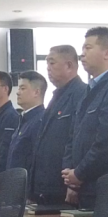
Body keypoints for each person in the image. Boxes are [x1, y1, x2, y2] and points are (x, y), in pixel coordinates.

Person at [62, 27, 108, 209]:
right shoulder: (89, 90)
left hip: (102, 186)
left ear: (107, 53)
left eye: (88, 48)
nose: (82, 54)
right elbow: (73, 136)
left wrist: (79, 173)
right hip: (82, 185)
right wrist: (70, 175)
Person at [30, 45, 86, 205]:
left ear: (69, 65)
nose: (48, 68)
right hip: (45, 187)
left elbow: (76, 140)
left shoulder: (81, 94)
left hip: (63, 187)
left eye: (52, 63)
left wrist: (72, 184)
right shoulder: (56, 96)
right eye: (47, 63)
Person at [6, 71, 46, 171]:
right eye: (18, 88)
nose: (17, 92)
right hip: (14, 178)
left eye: (22, 88)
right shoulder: (24, 119)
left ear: (36, 92)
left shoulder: (41, 121)